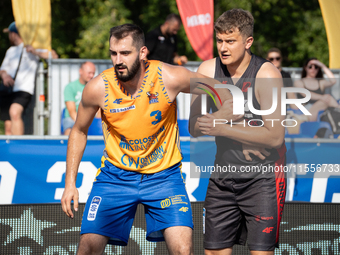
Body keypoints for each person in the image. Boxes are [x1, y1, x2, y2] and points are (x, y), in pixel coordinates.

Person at [60, 23, 227, 255]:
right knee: (86, 249)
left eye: (125, 53)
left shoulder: (168, 76)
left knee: (183, 250)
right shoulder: (98, 87)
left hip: (164, 177)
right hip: (115, 177)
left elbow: (219, 90)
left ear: (142, 53)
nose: (118, 60)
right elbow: (78, 131)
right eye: (113, 53)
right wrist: (70, 184)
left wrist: (213, 117)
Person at [189, 9, 286, 254]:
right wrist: (227, 120)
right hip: (222, 177)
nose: (223, 47)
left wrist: (221, 126)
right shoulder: (208, 70)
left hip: (261, 180)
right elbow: (194, 127)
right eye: (219, 40)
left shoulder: (267, 74)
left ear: (248, 42)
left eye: (230, 41)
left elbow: (274, 136)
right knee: (212, 251)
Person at [0, 21, 58, 135]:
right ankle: (9, 150)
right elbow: (2, 69)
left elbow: (54, 56)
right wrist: (5, 76)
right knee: (8, 124)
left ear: (14, 34)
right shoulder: (11, 51)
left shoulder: (32, 47)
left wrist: (35, 51)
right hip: (9, 89)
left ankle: (18, 145)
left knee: (14, 112)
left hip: (23, 89)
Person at [63, 61, 96, 135]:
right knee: (69, 130)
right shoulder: (70, 87)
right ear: (81, 71)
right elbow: (72, 111)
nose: (91, 75)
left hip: (91, 119)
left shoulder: (95, 88)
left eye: (93, 73)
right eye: (89, 73)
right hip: (73, 119)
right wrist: (82, 125)